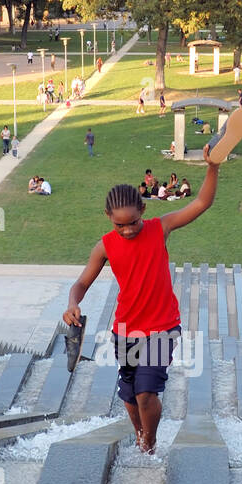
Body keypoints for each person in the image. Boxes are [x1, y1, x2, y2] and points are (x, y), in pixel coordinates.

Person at [61, 138, 223, 455]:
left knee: (146, 394)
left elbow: (201, 203)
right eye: (119, 225)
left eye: (133, 222)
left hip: (162, 327)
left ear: (143, 211)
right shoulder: (105, 245)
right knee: (130, 396)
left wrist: (212, 167)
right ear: (109, 217)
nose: (128, 230)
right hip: (125, 331)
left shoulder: (160, 228)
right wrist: (72, 304)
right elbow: (81, 284)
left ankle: (149, 444)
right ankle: (140, 438)